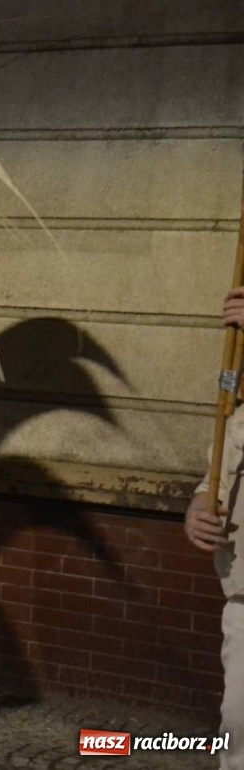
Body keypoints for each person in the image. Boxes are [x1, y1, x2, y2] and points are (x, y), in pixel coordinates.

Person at [184, 286, 244, 768]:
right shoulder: (239, 408)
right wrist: (199, 509)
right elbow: (215, 480)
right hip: (242, 595)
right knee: (238, 730)